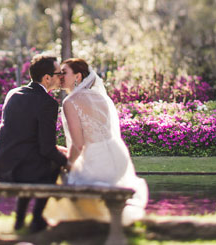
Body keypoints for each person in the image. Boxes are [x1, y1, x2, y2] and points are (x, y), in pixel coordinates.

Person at [46, 58, 148, 225]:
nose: (60, 76)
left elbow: (79, 145)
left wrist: (69, 164)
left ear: (78, 76)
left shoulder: (70, 102)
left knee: (60, 174)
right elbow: (96, 134)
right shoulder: (99, 97)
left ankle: (79, 222)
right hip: (118, 157)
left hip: (98, 163)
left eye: (65, 72)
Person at [0, 54, 69, 233]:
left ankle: (19, 220)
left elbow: (25, 139)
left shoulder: (13, 94)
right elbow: (46, 148)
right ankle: (37, 219)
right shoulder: (48, 103)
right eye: (58, 73)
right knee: (53, 164)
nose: (61, 76)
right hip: (23, 170)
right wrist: (68, 162)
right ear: (47, 78)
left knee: (37, 161)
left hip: (2, 168)